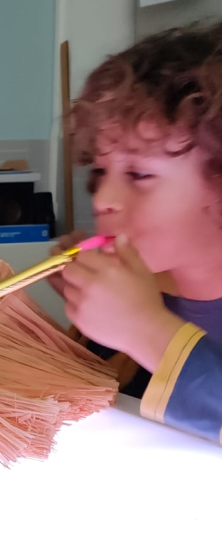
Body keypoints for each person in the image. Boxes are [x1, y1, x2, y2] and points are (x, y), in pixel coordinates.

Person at [49, 21, 222, 444]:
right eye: (101, 171)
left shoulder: (144, 313)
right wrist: (92, 320)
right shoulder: (145, 287)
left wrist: (143, 329)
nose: (102, 198)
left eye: (139, 174)